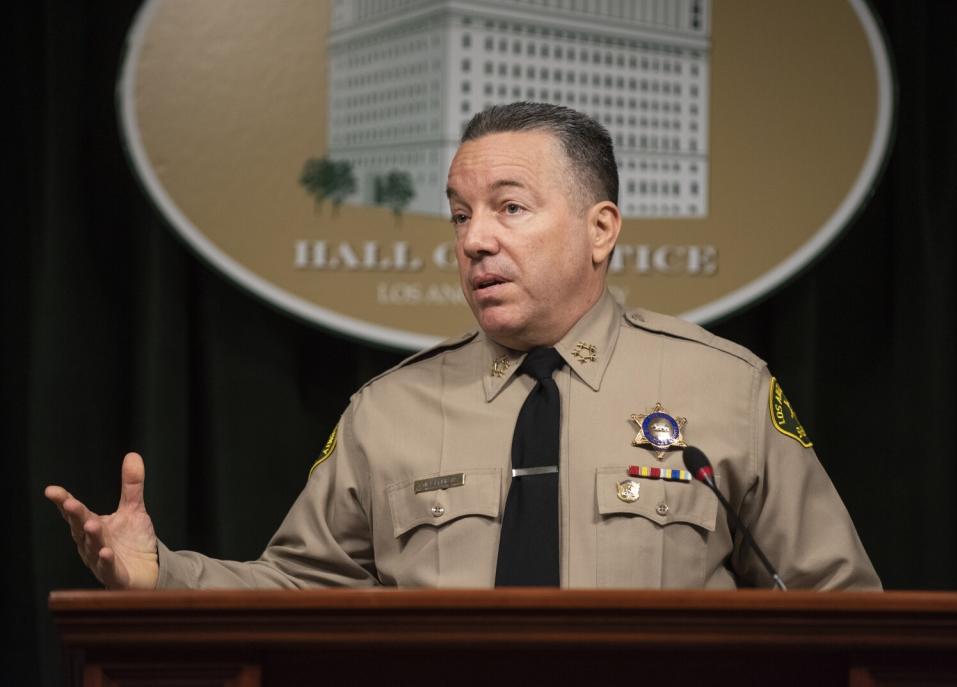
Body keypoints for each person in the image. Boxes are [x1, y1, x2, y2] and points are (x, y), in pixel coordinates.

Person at [46, 102, 881, 590]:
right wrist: (162, 573)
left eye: (510, 208)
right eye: (459, 214)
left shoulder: (724, 389)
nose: (475, 238)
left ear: (600, 230)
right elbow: (300, 591)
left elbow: (840, 604)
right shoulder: (389, 411)